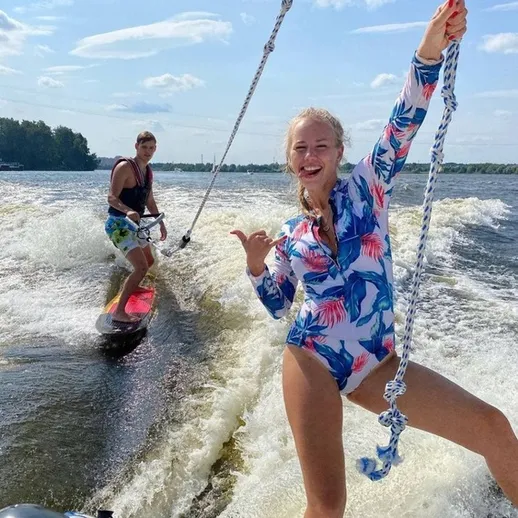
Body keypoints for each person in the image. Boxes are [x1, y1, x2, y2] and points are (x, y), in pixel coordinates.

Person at [232, 1, 518, 516]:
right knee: (328, 506)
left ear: (340, 151)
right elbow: (278, 305)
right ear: (290, 160)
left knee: (491, 426)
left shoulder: (368, 188)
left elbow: (403, 121)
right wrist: (256, 265)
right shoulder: (291, 234)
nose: (310, 155)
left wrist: (430, 48)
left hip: (377, 363)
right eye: (300, 149)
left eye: (321, 145)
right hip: (311, 358)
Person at [105, 131, 167, 323]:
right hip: (118, 224)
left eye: (151, 148)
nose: (148, 151)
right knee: (141, 267)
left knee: (149, 261)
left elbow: (149, 200)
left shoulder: (148, 171)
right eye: (144, 147)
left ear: (155, 149)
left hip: (135, 226)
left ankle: (133, 285)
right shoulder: (124, 167)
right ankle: (119, 312)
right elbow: (111, 198)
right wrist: (127, 210)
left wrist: (160, 222)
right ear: (136, 147)